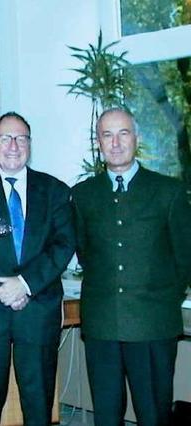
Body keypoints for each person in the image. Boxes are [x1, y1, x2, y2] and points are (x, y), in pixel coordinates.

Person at [72, 108, 191, 426]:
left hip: (153, 326)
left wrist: (161, 298)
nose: (115, 142)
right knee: (107, 416)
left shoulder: (169, 191)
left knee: (154, 414)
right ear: (98, 143)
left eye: (123, 133)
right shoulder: (83, 194)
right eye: (106, 135)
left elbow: (185, 258)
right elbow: (86, 253)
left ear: (136, 139)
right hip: (102, 328)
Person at [0, 112, 75, 425]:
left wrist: (24, 284)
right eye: (5, 138)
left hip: (36, 310)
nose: (13, 145)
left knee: (39, 407)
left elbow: (63, 245)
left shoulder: (55, 191)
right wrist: (2, 288)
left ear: (29, 145)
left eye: (21, 138)